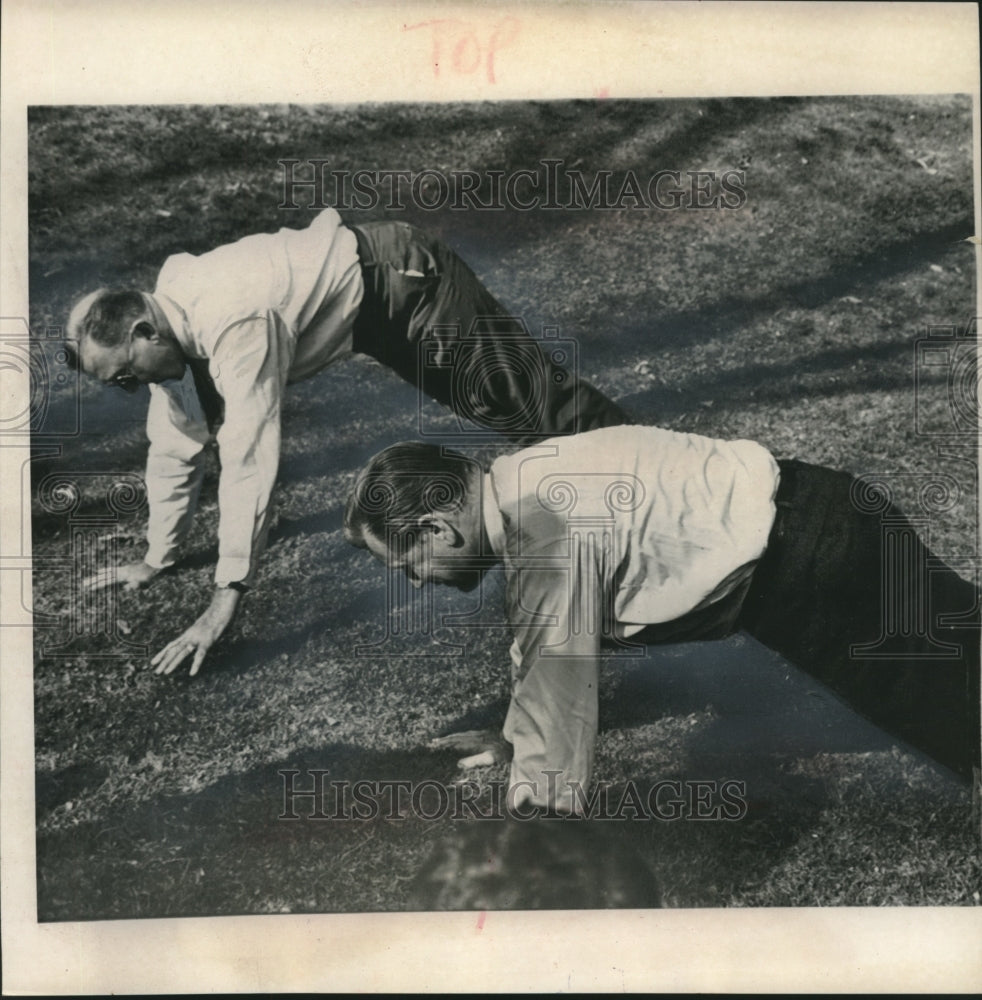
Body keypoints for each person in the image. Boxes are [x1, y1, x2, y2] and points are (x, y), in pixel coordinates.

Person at [68, 209, 630, 676]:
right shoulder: (170, 319)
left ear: (145, 331)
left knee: (532, 406)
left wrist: (225, 600)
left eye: (123, 375)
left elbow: (248, 458)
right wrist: (157, 556)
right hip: (370, 311)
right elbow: (175, 440)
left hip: (406, 283)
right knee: (517, 414)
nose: (129, 388)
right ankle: (612, 494)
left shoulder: (232, 317)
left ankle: (654, 477)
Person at [344, 427, 981, 814]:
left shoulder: (541, 531)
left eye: (407, 565)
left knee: (957, 718)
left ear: (436, 527)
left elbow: (558, 686)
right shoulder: (522, 482)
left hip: (815, 569)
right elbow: (536, 651)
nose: (414, 582)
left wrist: (533, 840)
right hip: (829, 510)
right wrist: (512, 740)